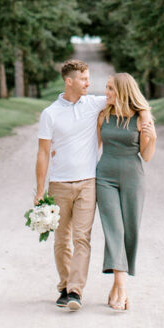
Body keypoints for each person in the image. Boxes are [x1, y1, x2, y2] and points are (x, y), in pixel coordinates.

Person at [35, 59, 106, 312]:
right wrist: (39, 189)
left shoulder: (93, 103)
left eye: (88, 78)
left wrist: (145, 119)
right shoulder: (50, 113)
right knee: (61, 240)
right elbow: (43, 153)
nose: (89, 83)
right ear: (69, 81)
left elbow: (123, 98)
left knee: (82, 238)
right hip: (59, 185)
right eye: (84, 79)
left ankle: (75, 290)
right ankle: (65, 286)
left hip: (88, 182)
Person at [95, 72, 157, 311]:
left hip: (133, 178)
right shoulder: (103, 115)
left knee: (129, 230)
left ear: (122, 91)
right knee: (114, 230)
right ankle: (122, 288)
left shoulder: (142, 118)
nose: (106, 92)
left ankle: (115, 286)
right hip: (105, 178)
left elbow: (147, 156)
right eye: (106, 87)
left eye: (110, 88)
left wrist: (151, 138)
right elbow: (93, 147)